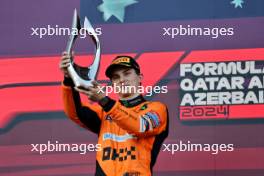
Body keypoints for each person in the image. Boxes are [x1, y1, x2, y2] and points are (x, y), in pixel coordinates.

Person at [60, 52, 169, 176]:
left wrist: (104, 101)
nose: (122, 80)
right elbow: (75, 113)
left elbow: (139, 126)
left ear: (140, 77)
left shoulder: (156, 109)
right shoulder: (103, 113)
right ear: (113, 84)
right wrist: (68, 78)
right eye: (116, 77)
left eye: (127, 73)